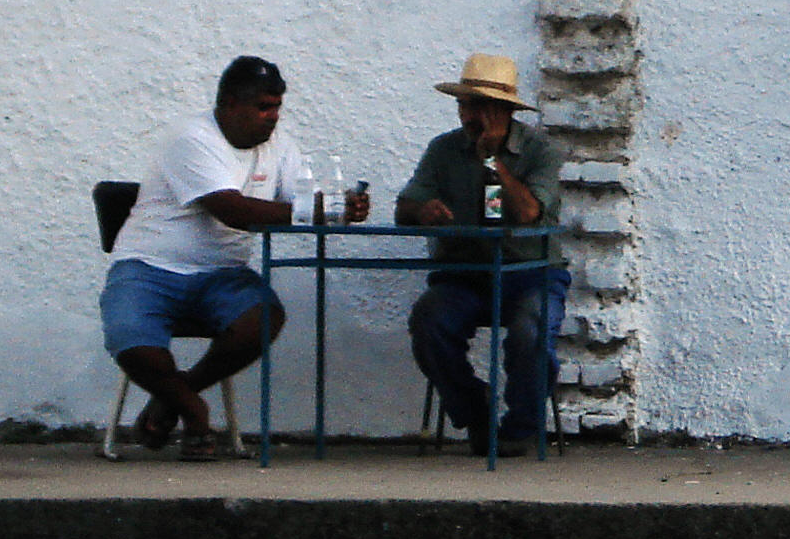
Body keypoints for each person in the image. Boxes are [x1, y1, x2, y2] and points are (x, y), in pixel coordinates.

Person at [99, 56, 366, 460]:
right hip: (148, 267)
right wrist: (319, 210)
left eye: (277, 107)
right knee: (129, 337)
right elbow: (232, 210)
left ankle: (174, 396)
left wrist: (341, 206)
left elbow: (302, 201)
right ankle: (194, 410)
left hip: (223, 274)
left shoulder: (279, 146)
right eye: (263, 107)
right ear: (229, 104)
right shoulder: (191, 138)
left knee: (264, 318)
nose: (273, 117)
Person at [397, 53, 570, 455]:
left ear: (505, 111)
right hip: (465, 273)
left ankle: (520, 427)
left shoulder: (540, 150)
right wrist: (423, 211)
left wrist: (493, 162)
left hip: (529, 270)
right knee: (429, 321)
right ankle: (475, 412)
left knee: (530, 330)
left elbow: (528, 213)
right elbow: (404, 208)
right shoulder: (443, 150)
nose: (470, 116)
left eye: (481, 107)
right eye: (464, 105)